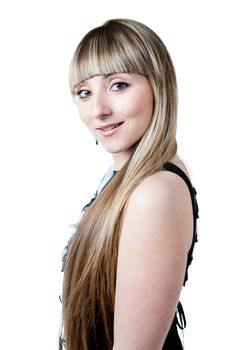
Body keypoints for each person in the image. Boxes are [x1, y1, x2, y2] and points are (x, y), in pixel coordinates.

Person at [59, 18, 199, 350]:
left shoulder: (154, 192)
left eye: (118, 85)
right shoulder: (126, 181)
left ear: (158, 86)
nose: (98, 110)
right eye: (84, 92)